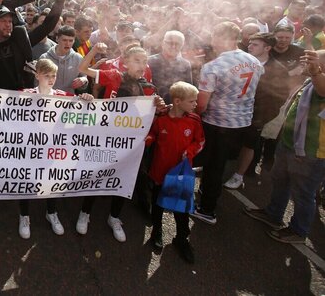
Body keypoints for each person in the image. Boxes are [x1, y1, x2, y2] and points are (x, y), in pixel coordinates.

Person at [76, 43, 161, 239]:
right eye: (137, 61)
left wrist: (160, 106)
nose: (142, 65)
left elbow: (151, 116)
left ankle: (114, 217)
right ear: (126, 62)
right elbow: (82, 69)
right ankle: (85, 213)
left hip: (129, 143)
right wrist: (94, 51)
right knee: (97, 173)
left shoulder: (148, 89)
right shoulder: (114, 75)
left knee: (123, 177)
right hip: (105, 137)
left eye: (144, 61)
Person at [244, 50, 325, 244]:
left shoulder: (319, 81)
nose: (307, 64)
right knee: (280, 180)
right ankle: (273, 214)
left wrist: (315, 72)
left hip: (310, 151)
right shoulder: (310, 80)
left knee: (303, 193)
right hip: (289, 143)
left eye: (313, 62)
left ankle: (299, 231)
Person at [192, 22, 264, 225]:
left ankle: (207, 210)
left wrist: (194, 115)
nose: (212, 41)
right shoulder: (254, 61)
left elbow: (202, 104)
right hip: (242, 121)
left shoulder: (213, 66)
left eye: (214, 36)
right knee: (220, 163)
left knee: (215, 166)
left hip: (218, 123)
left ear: (223, 38)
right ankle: (207, 192)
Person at [18, 59, 93, 239]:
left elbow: (81, 113)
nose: (51, 79)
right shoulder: (24, 94)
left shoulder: (63, 96)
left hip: (53, 149)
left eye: (54, 76)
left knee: (52, 179)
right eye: (47, 76)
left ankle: (51, 212)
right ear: (37, 75)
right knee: (27, 181)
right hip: (29, 149)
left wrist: (85, 98)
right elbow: (1, 106)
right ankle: (24, 216)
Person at [145, 81, 204, 263]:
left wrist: (191, 151)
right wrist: (148, 139)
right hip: (160, 170)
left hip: (181, 173)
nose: (196, 104)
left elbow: (200, 141)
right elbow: (152, 134)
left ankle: (181, 238)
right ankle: (157, 231)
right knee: (158, 204)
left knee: (181, 208)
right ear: (177, 101)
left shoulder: (194, 120)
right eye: (192, 101)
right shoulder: (161, 118)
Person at [223, 33, 290, 189]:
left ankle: (238, 176)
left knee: (249, 145)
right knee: (225, 141)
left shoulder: (277, 70)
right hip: (232, 111)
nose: (250, 46)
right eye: (250, 43)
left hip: (255, 116)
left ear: (267, 48)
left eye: (255, 44)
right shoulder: (242, 61)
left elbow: (279, 97)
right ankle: (213, 165)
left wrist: (261, 118)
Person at [39, 25, 88, 94]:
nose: (67, 44)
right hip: (48, 99)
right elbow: (37, 83)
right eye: (64, 40)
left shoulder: (78, 58)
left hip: (68, 100)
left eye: (71, 41)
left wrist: (83, 80)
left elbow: (84, 77)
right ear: (57, 39)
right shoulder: (44, 58)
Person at [148, 31, 193, 104]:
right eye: (170, 43)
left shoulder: (185, 64)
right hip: (153, 107)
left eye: (177, 44)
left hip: (176, 108)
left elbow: (188, 90)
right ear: (163, 43)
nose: (173, 46)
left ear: (182, 46)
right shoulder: (149, 61)